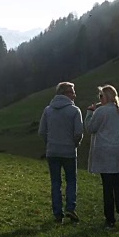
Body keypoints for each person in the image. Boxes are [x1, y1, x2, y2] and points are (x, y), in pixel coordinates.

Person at [85, 84, 119, 228]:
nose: (99, 99)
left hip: (105, 152)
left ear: (106, 97)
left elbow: (90, 128)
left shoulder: (100, 112)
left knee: (107, 187)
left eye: (101, 96)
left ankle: (110, 219)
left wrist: (90, 113)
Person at [38, 82, 84, 223]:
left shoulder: (48, 110)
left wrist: (49, 144)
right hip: (69, 151)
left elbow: (41, 132)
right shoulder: (75, 111)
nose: (74, 95)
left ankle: (58, 213)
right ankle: (70, 207)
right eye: (72, 92)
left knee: (55, 183)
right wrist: (75, 145)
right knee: (71, 181)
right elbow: (78, 133)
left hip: (52, 151)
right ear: (65, 94)